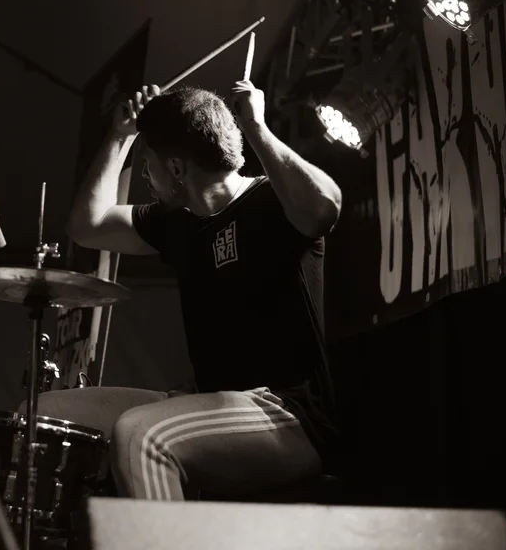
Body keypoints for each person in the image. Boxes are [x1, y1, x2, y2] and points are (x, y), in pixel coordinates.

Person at [38, 79, 342, 501]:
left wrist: (256, 127)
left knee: (142, 435)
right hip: (212, 400)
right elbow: (88, 224)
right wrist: (120, 137)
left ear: (177, 170)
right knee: (44, 414)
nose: (145, 174)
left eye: (149, 163)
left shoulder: (273, 200)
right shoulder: (178, 222)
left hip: (286, 413)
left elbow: (325, 207)